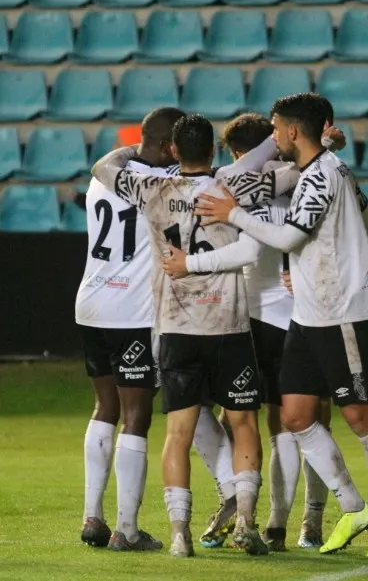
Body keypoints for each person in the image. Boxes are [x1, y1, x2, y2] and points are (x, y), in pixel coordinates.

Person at [194, 94, 368, 558]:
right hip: (307, 313)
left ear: (293, 131)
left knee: (359, 415)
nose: (274, 136)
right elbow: (363, 217)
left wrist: (232, 213)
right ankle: (353, 508)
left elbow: (290, 236)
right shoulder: (321, 170)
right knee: (295, 417)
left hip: (341, 311)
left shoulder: (321, 174)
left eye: (277, 128)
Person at [90, 113, 301, 558]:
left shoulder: (151, 188)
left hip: (175, 328)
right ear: (212, 150)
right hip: (227, 325)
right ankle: (245, 521)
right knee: (243, 423)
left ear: (172, 150)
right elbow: (285, 175)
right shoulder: (232, 185)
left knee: (178, 433)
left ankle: (179, 535)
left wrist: (136, 147)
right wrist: (292, 144)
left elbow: (102, 168)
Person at [160, 112, 341, 552]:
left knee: (235, 417)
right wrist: (325, 148)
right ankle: (304, 521)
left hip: (250, 316)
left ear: (237, 152)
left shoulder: (231, 183)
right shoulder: (307, 180)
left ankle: (248, 510)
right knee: (308, 420)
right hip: (305, 314)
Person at [74, 107, 185, 551]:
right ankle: (127, 529)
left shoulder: (102, 179)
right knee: (136, 416)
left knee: (104, 407)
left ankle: (92, 517)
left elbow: (110, 161)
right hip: (133, 313)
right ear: (168, 146)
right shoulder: (162, 184)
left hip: (91, 304)